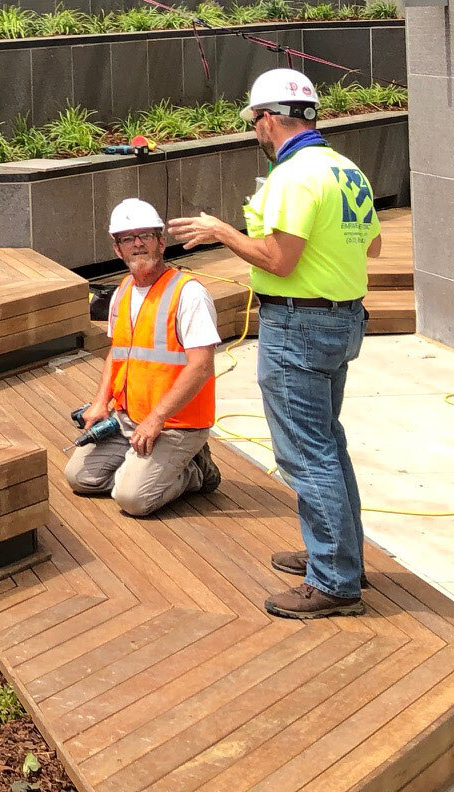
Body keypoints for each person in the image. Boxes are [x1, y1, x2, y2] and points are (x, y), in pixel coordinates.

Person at [170, 67, 382, 621]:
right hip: (341, 322)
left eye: (255, 123)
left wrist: (222, 233)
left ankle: (334, 580)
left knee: (308, 456)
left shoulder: (294, 176)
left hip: (299, 329)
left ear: (267, 119)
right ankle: (339, 558)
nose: (255, 133)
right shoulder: (345, 168)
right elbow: (374, 245)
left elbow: (278, 261)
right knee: (327, 445)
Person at [66, 198, 222, 515]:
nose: (137, 243)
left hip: (177, 423)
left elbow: (202, 366)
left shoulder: (188, 292)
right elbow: (117, 354)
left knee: (133, 499)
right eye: (127, 238)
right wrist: (100, 402)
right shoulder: (122, 291)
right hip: (129, 417)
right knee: (80, 478)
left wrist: (156, 419)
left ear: (161, 242)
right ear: (117, 249)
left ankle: (196, 470)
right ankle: (142, 469)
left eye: (145, 235)